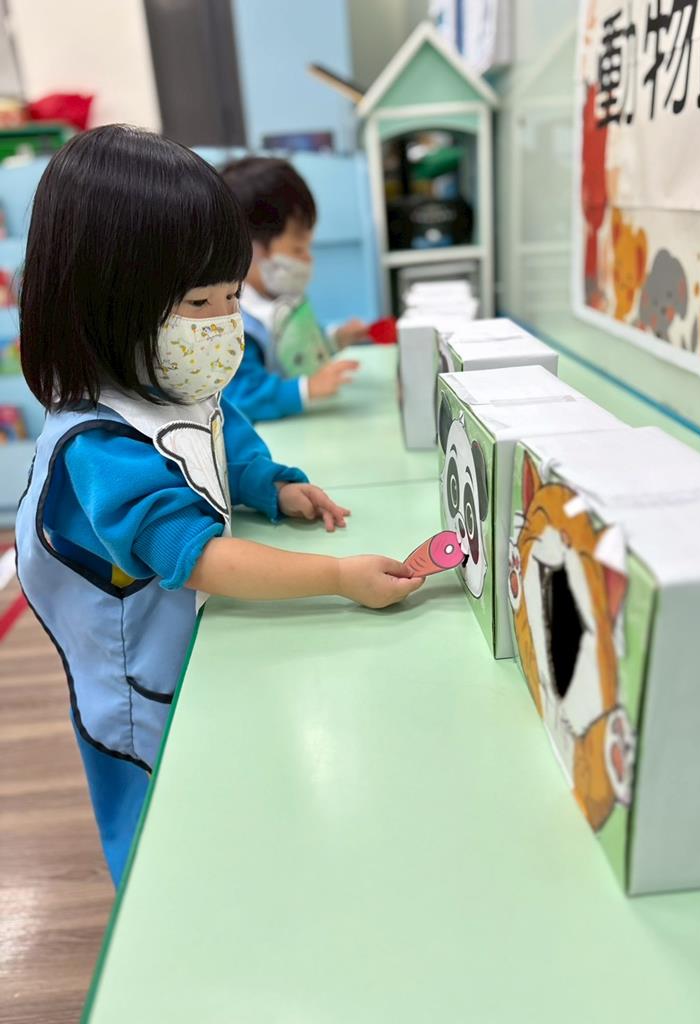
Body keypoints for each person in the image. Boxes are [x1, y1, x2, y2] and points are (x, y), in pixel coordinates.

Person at [15, 125, 423, 886]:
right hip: (142, 689)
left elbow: (222, 432)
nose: (223, 321)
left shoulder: (172, 378)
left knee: (236, 799)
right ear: (104, 303)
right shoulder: (98, 445)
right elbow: (195, 554)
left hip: (204, 643)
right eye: (200, 301)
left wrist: (271, 485)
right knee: (164, 839)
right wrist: (337, 577)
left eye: (231, 295)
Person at [220, 156, 368, 422]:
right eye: (298, 249)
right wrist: (306, 389)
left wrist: (335, 339)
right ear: (249, 247)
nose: (308, 258)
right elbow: (241, 396)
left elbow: (295, 351)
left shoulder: (279, 301)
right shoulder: (240, 322)